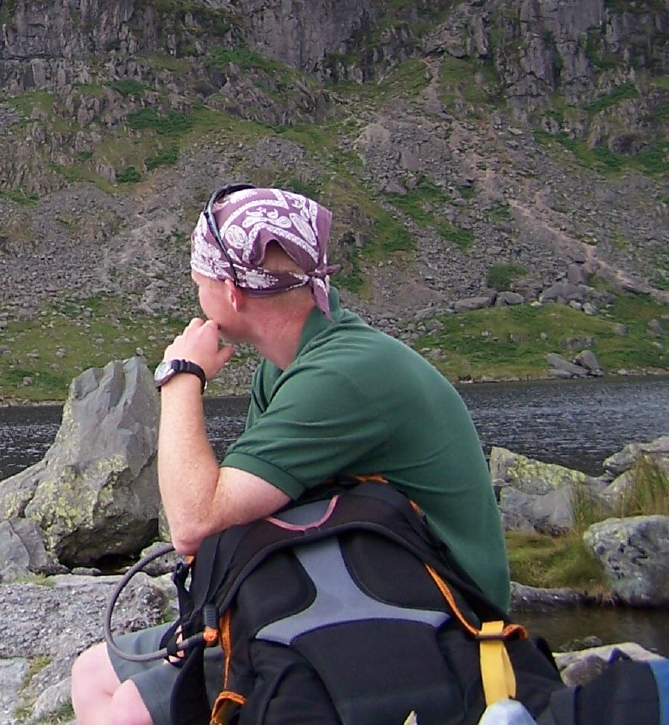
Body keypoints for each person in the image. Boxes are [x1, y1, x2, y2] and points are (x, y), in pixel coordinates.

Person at [70, 183, 510, 725]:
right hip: (350, 578)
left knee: (132, 712)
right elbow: (238, 513)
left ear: (231, 293)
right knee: (91, 675)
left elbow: (192, 523)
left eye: (198, 280)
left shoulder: (342, 376)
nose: (196, 294)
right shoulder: (290, 364)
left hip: (441, 614)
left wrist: (180, 377)